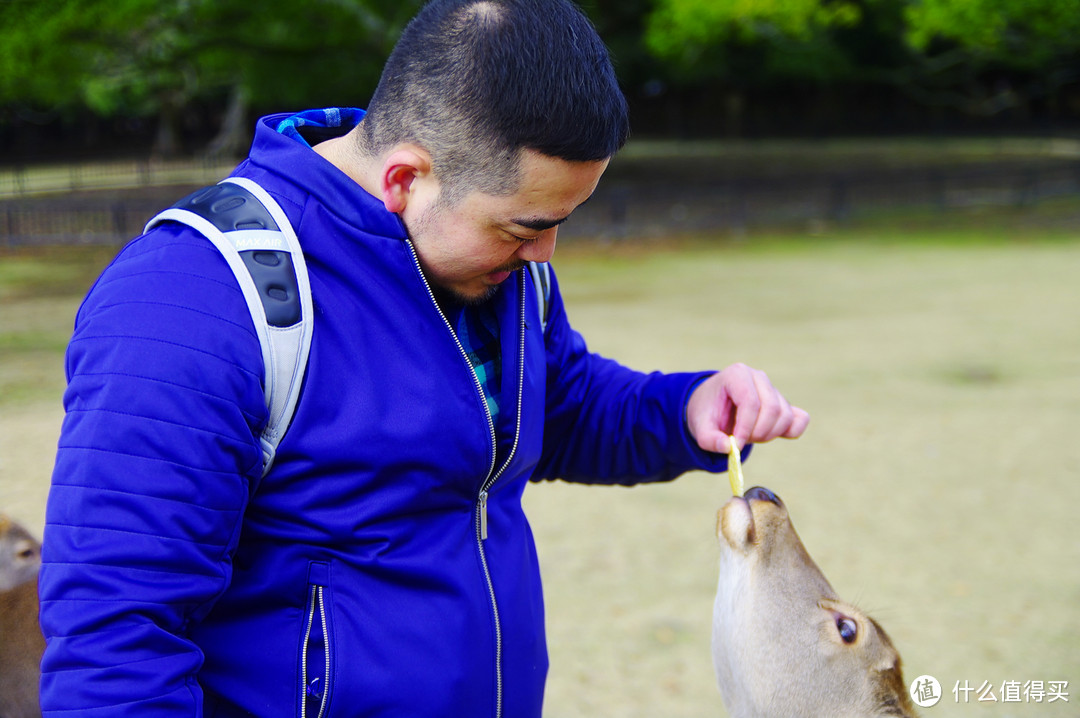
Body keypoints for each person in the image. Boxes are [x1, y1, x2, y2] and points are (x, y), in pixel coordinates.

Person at [39, 0, 809, 715]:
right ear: (406, 179)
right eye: (523, 227)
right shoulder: (188, 299)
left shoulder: (500, 267)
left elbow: (552, 406)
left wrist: (683, 408)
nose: (545, 251)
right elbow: (115, 641)